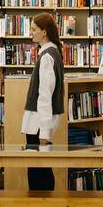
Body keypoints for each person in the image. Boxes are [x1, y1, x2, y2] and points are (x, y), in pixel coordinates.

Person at [21, 12, 65, 191]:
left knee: (38, 171)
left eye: (33, 29)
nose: (31, 33)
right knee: (41, 169)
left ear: (44, 32)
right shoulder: (51, 52)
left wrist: (44, 134)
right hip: (40, 122)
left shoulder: (47, 56)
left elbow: (45, 96)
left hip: (39, 123)